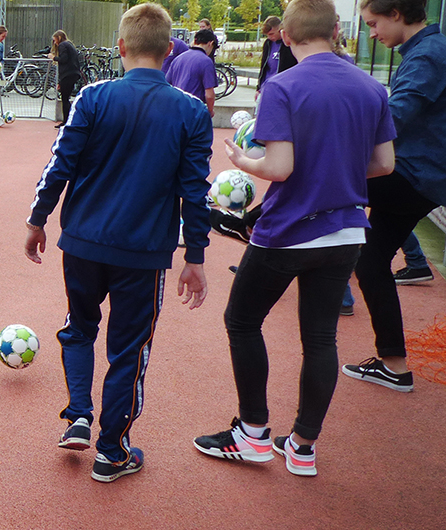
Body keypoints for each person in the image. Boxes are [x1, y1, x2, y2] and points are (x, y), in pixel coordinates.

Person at [193, 0, 396, 477]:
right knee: (321, 338)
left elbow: (279, 167)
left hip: (288, 232)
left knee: (242, 321)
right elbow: (385, 164)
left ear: (285, 36)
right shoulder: (372, 88)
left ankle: (253, 434)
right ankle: (302, 446)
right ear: (337, 32)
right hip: (346, 231)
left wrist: (242, 164)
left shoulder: (283, 86)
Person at [24, 3, 211, 483]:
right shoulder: (191, 111)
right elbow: (196, 192)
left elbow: (59, 163)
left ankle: (80, 414)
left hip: (83, 243)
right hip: (143, 255)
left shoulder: (91, 97)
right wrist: (195, 256)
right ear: (170, 51)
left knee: (79, 327)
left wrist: (38, 219)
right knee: (130, 350)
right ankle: (112, 450)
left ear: (121, 47)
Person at [342, 0, 446, 392]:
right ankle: (395, 366)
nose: (370, 33)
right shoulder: (425, 52)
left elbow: (393, 116)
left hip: (412, 176)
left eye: (373, 24)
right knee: (370, 262)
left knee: (321, 179)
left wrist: (333, 139)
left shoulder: (429, 56)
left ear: (397, 15)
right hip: (417, 175)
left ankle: (254, 226)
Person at [166, 29, 219, 117]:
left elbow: (167, 84)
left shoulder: (178, 58)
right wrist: (210, 111)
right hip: (194, 109)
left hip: (176, 108)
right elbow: (209, 94)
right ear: (211, 43)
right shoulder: (206, 61)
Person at [257, 16, 298, 99]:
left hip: (283, 88)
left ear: (280, 30)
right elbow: (264, 67)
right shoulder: (268, 44)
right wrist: (258, 88)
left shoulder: (288, 45)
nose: (270, 37)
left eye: (272, 34)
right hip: (267, 86)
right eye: (267, 35)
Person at [48, 30, 81, 129]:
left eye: (55, 40)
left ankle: (66, 121)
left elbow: (63, 59)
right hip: (72, 74)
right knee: (66, 98)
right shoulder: (69, 45)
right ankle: (69, 119)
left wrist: (53, 57)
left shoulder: (62, 45)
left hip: (68, 74)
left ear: (58, 38)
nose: (54, 43)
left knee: (65, 98)